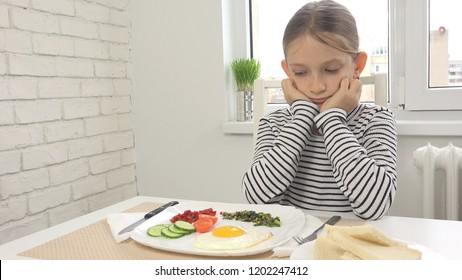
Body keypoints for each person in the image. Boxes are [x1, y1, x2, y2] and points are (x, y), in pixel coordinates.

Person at [242, 0, 397, 220]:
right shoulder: (274, 124)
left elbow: (374, 207)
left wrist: (332, 118)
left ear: (357, 66)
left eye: (331, 69)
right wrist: (303, 115)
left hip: (346, 245)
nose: (317, 86)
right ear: (288, 71)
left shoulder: (376, 120)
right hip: (291, 244)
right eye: (301, 73)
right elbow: (256, 198)